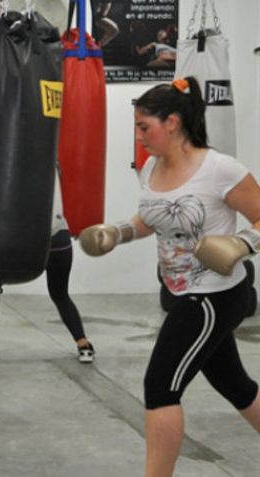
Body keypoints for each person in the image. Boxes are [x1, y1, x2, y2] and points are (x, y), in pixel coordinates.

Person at [79, 77, 260, 476]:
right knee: (236, 386)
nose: (139, 136)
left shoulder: (220, 169)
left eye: (145, 127)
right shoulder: (151, 168)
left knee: (160, 386)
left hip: (214, 296)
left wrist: (241, 244)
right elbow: (152, 219)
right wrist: (118, 232)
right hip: (180, 291)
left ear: (173, 122)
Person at [0, 212, 95, 362]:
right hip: (60, 238)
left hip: (27, 239)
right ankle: (84, 346)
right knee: (60, 295)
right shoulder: (49, 187)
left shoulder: (10, 190)